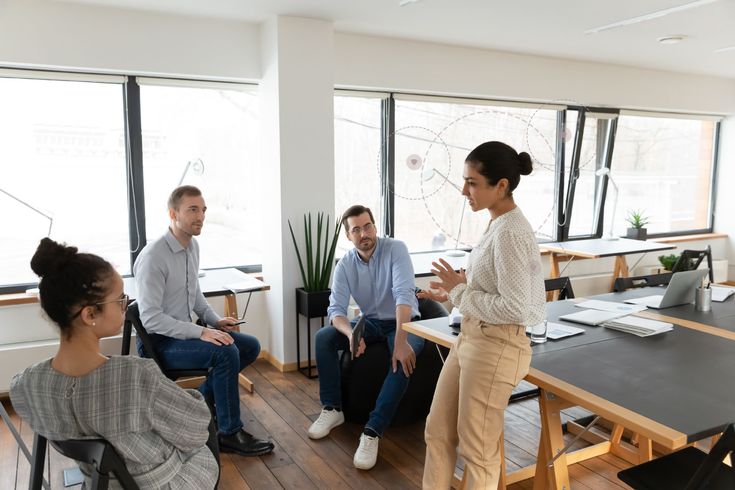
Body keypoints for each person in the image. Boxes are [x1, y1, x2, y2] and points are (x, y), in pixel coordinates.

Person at [10, 238, 219, 489]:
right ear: (89, 314)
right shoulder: (136, 376)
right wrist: (193, 398)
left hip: (101, 481)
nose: (126, 305)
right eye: (120, 300)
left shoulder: (26, 384)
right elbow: (196, 431)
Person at [421, 141, 546, 488]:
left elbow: (518, 309)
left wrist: (460, 292)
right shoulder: (496, 223)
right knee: (437, 431)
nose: (464, 191)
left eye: (473, 182)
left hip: (496, 345)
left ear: (501, 185)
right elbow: (496, 290)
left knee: (478, 451)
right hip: (472, 338)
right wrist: (457, 289)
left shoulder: (512, 232)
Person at [133, 185, 273, 456]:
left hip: (182, 335)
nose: (201, 216)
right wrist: (199, 332)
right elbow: (150, 319)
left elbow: (195, 295)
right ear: (173, 214)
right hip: (159, 343)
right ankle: (229, 433)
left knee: (249, 346)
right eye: (192, 210)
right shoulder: (153, 257)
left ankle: (199, 401)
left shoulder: (192, 246)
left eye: (203, 210)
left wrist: (215, 321)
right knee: (226, 353)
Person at [307, 205, 424, 470]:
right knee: (324, 337)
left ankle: (372, 431)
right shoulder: (345, 265)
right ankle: (332, 409)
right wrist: (351, 333)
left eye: (367, 226)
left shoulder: (396, 249)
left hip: (404, 322)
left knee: (399, 359)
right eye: (356, 229)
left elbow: (404, 296)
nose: (364, 233)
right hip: (370, 322)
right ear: (349, 236)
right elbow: (335, 310)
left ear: (375, 226)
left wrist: (401, 341)